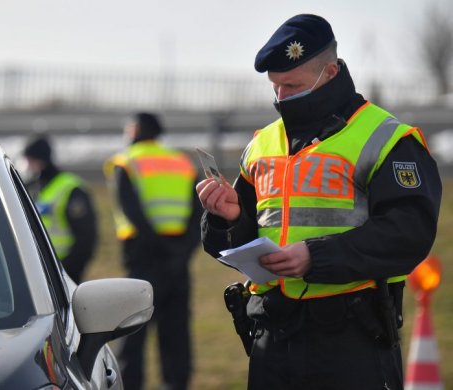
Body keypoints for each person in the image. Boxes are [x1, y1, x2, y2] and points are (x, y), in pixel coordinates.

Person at [197, 14, 441, 390]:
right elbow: (233, 244)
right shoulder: (262, 143)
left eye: (291, 86)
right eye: (275, 87)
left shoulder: (385, 137)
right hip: (271, 338)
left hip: (352, 340)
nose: (280, 98)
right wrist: (228, 219)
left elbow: (409, 233)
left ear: (329, 72)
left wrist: (316, 256)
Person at [103, 112, 202, 390]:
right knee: (176, 331)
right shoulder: (182, 163)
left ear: (134, 129)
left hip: (144, 256)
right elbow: (198, 214)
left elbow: (131, 211)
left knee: (132, 329)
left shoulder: (127, 161)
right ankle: (177, 383)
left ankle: (131, 385)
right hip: (179, 257)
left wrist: (161, 249)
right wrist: (181, 251)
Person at [22, 136, 98, 284]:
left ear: (41, 160)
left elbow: (86, 237)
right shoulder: (31, 186)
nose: (28, 166)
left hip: (64, 270)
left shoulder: (70, 188)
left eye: (30, 160)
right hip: (35, 270)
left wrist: (68, 270)